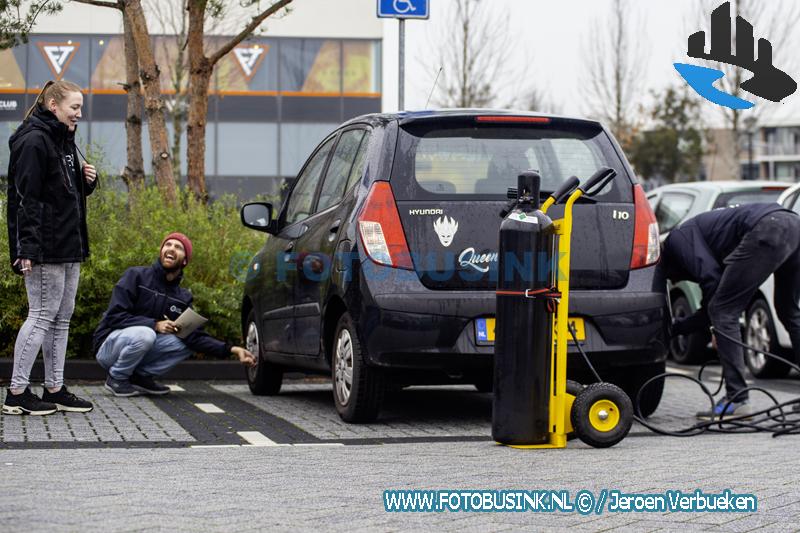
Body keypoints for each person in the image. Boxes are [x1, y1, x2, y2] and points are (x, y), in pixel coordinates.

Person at [3, 80, 97, 416]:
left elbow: (61, 193)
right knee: (42, 315)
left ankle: (54, 388)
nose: (79, 114)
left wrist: (87, 182)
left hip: (69, 243)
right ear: (53, 105)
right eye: (74, 107)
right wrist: (25, 247)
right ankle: (16, 393)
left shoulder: (64, 141)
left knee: (61, 318)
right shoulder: (34, 141)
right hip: (44, 246)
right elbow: (26, 200)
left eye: (81, 107)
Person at [661, 203, 800, 419]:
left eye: (673, 278)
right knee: (788, 311)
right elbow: (713, 302)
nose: (677, 280)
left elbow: (713, 286)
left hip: (767, 228)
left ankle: (737, 399)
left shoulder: (677, 241)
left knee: (723, 311)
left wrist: (716, 328)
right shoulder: (709, 241)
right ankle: (737, 397)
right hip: (793, 225)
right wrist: (676, 328)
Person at [94, 232, 256, 396]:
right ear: (161, 251)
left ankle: (140, 377)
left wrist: (233, 350)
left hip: (139, 343)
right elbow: (114, 316)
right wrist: (155, 324)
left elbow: (195, 337)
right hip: (108, 347)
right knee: (146, 333)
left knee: (186, 341)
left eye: (178, 247)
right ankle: (117, 378)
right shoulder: (135, 276)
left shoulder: (183, 298)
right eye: (168, 245)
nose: (171, 248)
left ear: (185, 260)